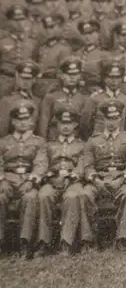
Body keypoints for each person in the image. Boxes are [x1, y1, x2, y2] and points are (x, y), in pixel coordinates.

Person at [81, 100, 126, 251]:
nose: (112, 122)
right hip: (99, 179)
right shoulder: (93, 141)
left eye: (115, 118)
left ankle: (122, 238)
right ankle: (88, 240)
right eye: (108, 118)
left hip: (121, 180)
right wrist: (96, 181)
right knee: (85, 194)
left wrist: (122, 179)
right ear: (103, 119)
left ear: (120, 119)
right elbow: (88, 167)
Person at [0, 101, 47, 259]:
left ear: (31, 121)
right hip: (7, 178)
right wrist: (2, 180)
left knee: (30, 197)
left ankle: (25, 243)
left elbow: (41, 164)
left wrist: (32, 180)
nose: (23, 122)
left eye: (26, 119)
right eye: (19, 119)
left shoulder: (38, 142)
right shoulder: (4, 142)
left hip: (28, 178)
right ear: (13, 122)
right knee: (0, 196)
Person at [36, 106, 86, 257]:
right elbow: (41, 163)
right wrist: (47, 176)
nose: (65, 127)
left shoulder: (82, 145)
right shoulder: (48, 145)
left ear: (75, 125)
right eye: (62, 123)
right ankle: (43, 242)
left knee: (72, 197)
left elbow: (83, 165)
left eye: (69, 123)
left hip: (72, 182)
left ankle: (66, 243)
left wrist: (73, 176)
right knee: (44, 196)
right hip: (52, 180)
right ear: (56, 125)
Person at [80, 59, 126, 139]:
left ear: (122, 78)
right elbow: (85, 124)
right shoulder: (95, 99)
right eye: (111, 77)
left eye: (117, 77)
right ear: (104, 78)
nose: (114, 81)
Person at [38, 56, 86, 140]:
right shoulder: (51, 97)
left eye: (75, 74)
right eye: (68, 74)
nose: (72, 77)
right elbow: (43, 124)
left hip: (76, 143)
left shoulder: (83, 98)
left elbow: (85, 125)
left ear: (79, 76)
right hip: (54, 140)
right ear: (61, 75)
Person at [33, 13, 72, 98]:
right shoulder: (43, 47)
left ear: (60, 28)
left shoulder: (64, 48)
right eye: (46, 27)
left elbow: (63, 73)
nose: (48, 31)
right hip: (39, 85)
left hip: (54, 86)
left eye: (51, 27)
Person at [0, 60, 41, 138]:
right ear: (17, 76)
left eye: (28, 79)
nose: (25, 82)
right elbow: (3, 130)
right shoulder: (7, 101)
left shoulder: (37, 101)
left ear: (34, 79)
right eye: (22, 78)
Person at [74, 18, 111, 95]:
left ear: (97, 34)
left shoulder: (104, 55)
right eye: (84, 34)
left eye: (90, 33)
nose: (87, 37)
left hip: (96, 91)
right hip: (78, 92)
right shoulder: (77, 54)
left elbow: (108, 79)